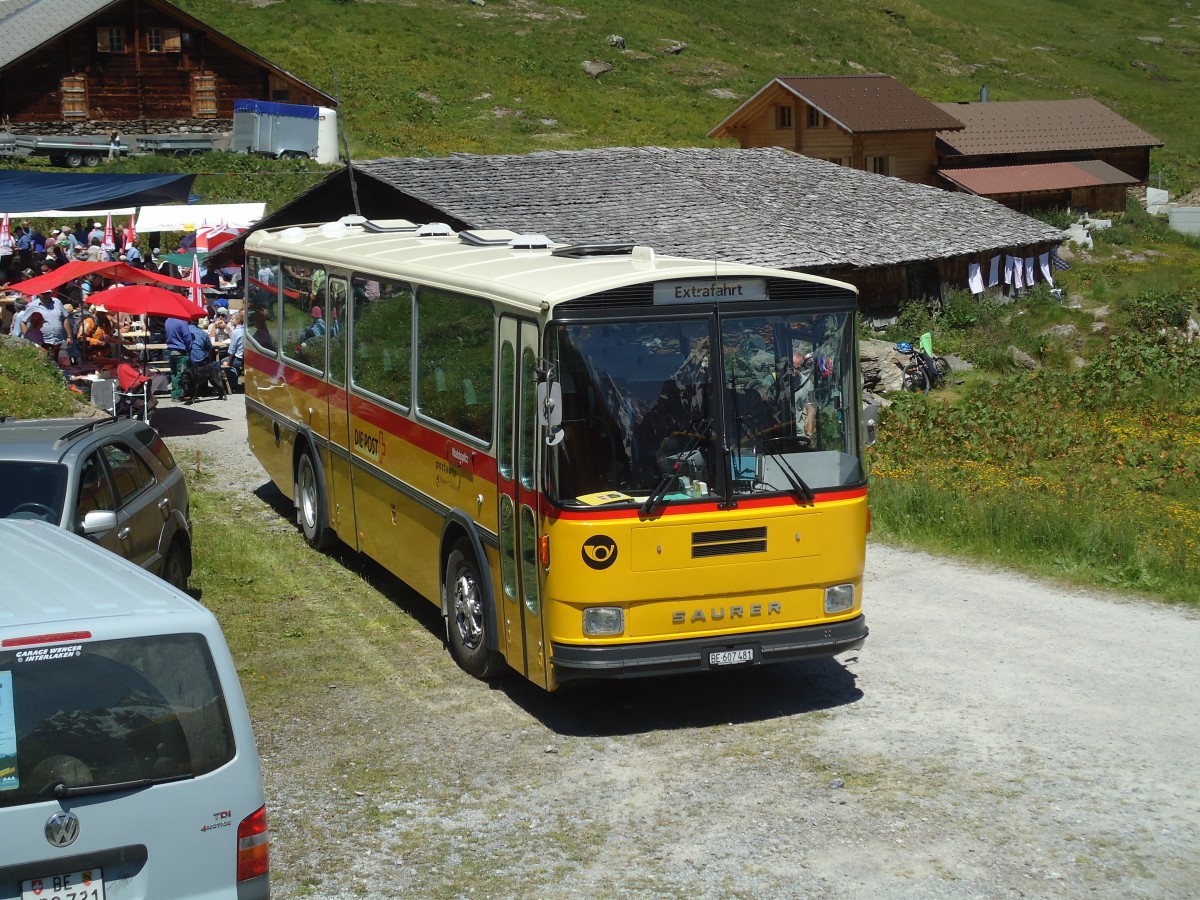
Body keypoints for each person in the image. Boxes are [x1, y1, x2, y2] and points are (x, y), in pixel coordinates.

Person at [33, 292, 71, 364]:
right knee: (47, 366)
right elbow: (24, 322)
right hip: (44, 344)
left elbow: (65, 318)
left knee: (65, 365)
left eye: (47, 293)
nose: (45, 295)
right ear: (38, 294)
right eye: (43, 293)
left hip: (60, 342)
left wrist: (69, 336)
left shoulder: (57, 302)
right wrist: (30, 338)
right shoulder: (33, 305)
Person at [165, 315, 192, 401]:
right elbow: (187, 337)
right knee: (181, 374)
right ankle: (179, 395)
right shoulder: (182, 321)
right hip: (180, 350)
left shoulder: (168, 321)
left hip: (170, 350)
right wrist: (189, 348)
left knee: (174, 374)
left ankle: (174, 394)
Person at [222, 310, 245, 392]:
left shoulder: (236, 332)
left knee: (220, 362)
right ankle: (233, 382)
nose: (231, 320)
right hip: (243, 358)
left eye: (232, 319)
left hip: (238, 359)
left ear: (238, 320)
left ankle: (229, 385)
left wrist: (227, 362)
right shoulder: (244, 330)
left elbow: (231, 351)